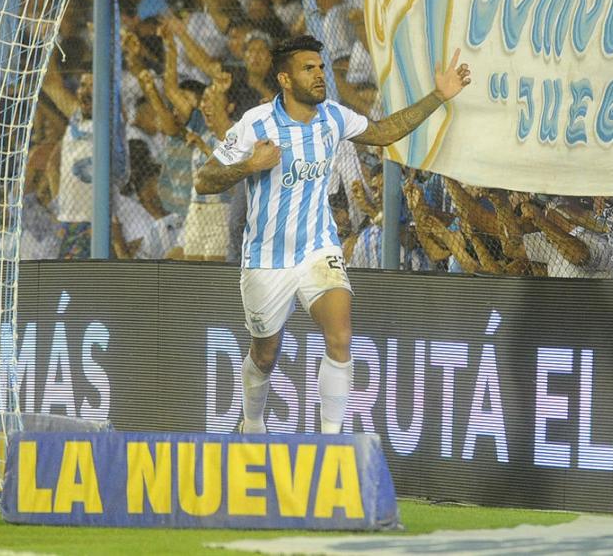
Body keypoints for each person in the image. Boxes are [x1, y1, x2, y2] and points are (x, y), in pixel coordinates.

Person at [194, 34, 471, 434]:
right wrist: (249, 164)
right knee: (266, 354)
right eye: (309, 69)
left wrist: (438, 96)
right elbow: (204, 180)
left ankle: (330, 442)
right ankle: (252, 424)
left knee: (340, 334)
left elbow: (383, 131)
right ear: (285, 79)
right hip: (266, 260)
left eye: (321, 67)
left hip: (318, 249)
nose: (320, 75)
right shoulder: (256, 124)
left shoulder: (333, 117)